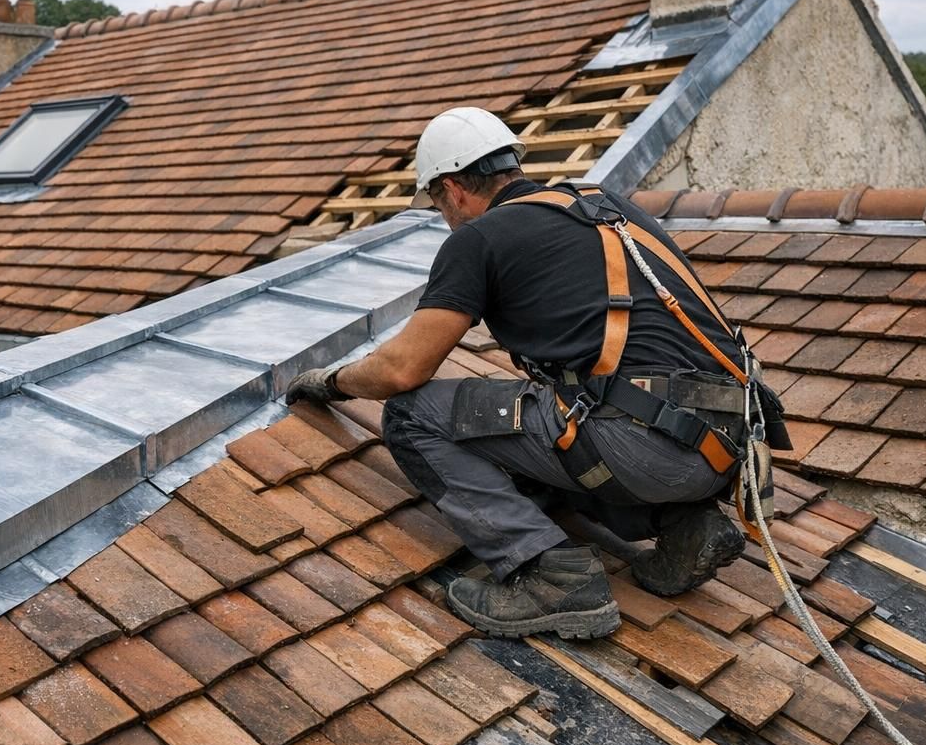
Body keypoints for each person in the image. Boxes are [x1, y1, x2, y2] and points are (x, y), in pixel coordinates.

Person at [287, 107, 788, 640]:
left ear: (454, 189)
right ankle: (682, 525)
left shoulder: (479, 239)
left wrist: (332, 382)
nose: (443, 217)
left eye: (436, 202)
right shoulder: (606, 206)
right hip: (726, 449)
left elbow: (403, 369)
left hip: (646, 448)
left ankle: (553, 578)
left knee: (414, 416)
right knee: (534, 437)